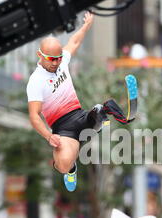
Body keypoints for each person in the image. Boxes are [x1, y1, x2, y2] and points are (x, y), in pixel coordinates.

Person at [27, 12, 135, 192]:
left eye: (59, 58)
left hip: (80, 116)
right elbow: (33, 116)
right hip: (63, 130)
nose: (56, 63)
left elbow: (74, 42)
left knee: (99, 112)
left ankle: (118, 114)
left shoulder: (61, 62)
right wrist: (48, 136)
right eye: (51, 59)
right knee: (62, 165)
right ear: (41, 55)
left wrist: (86, 25)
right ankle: (71, 169)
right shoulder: (36, 81)